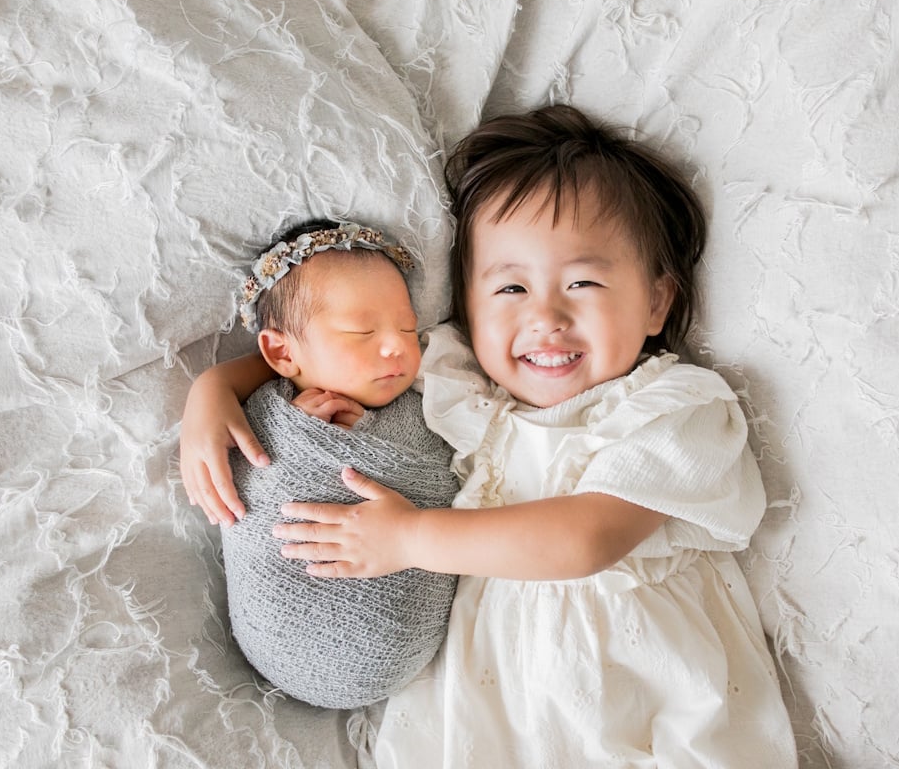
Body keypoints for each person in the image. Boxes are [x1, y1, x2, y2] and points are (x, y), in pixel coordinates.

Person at [181, 106, 797, 766]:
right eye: (510, 288)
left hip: (636, 702)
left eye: (583, 282)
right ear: (468, 309)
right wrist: (215, 388)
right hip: (482, 712)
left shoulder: (673, 407)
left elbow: (586, 539)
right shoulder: (459, 379)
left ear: (656, 301)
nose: (546, 316)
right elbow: (332, 360)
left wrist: (409, 537)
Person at [197, 219, 458, 709]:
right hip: (286, 636)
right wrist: (294, 436)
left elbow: (441, 473)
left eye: (408, 328)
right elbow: (248, 491)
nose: (397, 346)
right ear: (282, 352)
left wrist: (373, 434)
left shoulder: (429, 400)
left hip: (402, 627)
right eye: (363, 331)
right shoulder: (267, 412)